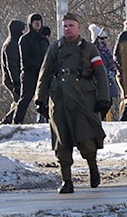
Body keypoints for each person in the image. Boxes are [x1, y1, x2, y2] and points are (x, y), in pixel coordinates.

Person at [35, 13, 110, 194]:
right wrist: (40, 98)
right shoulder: (55, 48)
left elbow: (100, 74)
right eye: (65, 26)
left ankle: (93, 167)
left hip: (83, 99)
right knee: (62, 142)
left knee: (87, 140)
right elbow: (44, 74)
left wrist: (104, 98)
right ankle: (66, 181)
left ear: (79, 28)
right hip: (59, 100)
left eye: (71, 25)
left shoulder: (89, 49)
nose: (67, 28)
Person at [14, 13, 50, 124]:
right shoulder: (25, 39)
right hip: (29, 73)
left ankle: (50, 121)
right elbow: (26, 59)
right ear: (31, 23)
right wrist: (40, 67)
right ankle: (16, 122)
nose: (38, 23)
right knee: (26, 98)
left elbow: (48, 56)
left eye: (39, 21)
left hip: (43, 74)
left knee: (46, 98)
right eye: (35, 21)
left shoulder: (44, 40)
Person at [90, 24, 120, 120]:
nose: (104, 41)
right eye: (102, 38)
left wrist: (112, 71)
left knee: (108, 101)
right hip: (99, 81)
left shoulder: (106, 51)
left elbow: (111, 63)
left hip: (107, 80)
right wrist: (106, 72)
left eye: (105, 38)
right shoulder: (94, 51)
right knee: (103, 101)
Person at [1, 19, 27, 123]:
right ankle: (8, 121)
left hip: (14, 78)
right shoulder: (11, 44)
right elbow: (11, 65)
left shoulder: (14, 42)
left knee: (19, 101)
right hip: (12, 79)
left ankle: (11, 121)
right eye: (23, 30)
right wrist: (16, 82)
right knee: (20, 102)